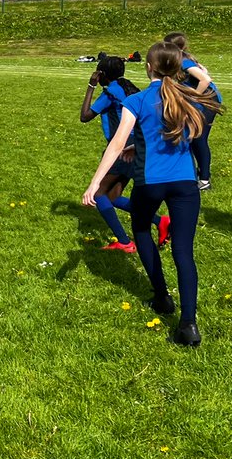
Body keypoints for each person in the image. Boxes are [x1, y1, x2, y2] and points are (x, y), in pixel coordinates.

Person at [82, 41, 222, 347]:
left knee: (142, 229)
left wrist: (95, 184)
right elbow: (202, 88)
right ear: (177, 67)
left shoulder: (140, 100)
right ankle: (189, 324)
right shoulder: (187, 96)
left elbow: (115, 145)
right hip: (186, 183)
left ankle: (162, 297)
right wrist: (139, 145)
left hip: (151, 182)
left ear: (148, 68)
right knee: (184, 253)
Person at [79, 55, 171, 253]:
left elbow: (85, 116)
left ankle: (124, 242)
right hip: (137, 146)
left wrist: (90, 85)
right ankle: (161, 221)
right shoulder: (128, 87)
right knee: (112, 197)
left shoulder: (110, 93)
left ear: (102, 74)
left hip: (122, 149)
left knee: (98, 193)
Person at [165, 32, 222, 190]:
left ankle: (204, 180)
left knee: (198, 138)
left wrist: (194, 97)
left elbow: (205, 79)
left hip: (207, 101)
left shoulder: (183, 61)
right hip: (203, 101)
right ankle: (195, 174)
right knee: (192, 137)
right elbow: (204, 71)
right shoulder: (182, 59)